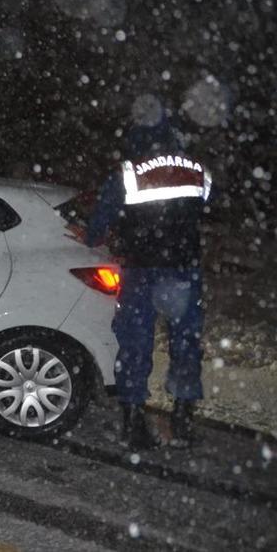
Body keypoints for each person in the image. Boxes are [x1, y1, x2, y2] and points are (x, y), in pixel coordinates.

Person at [85, 114, 211, 450]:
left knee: (135, 345)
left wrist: (92, 236)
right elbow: (203, 209)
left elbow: (100, 221)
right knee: (185, 344)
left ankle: (133, 421)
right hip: (184, 272)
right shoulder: (197, 170)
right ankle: (182, 419)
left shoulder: (129, 173)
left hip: (141, 271)